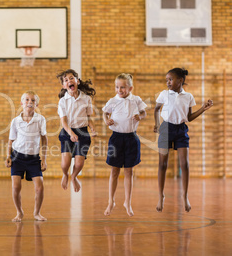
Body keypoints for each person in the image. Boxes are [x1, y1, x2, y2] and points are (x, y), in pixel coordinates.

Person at [154, 68, 213, 212]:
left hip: (181, 130)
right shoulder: (164, 94)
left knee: (184, 164)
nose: (168, 82)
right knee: (162, 164)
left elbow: (189, 118)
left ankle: (185, 196)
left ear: (180, 80)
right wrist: (157, 124)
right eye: (166, 79)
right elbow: (156, 109)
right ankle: (161, 195)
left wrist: (202, 109)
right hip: (166, 128)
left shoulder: (188, 97)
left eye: (170, 79)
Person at [102, 73, 147, 217]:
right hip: (116, 138)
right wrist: (106, 120)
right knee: (114, 171)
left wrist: (140, 116)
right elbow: (104, 113)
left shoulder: (136, 100)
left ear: (130, 88)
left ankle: (127, 202)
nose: (119, 90)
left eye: (122, 87)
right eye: (117, 87)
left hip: (131, 138)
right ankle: (111, 201)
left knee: (129, 171)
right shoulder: (113, 101)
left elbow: (144, 113)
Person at [5, 91, 48, 222]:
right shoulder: (16, 121)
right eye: (27, 100)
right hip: (17, 157)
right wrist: (8, 155)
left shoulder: (40, 119)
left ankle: (37, 213)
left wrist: (44, 159)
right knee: (16, 187)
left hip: (33, 158)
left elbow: (44, 139)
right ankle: (19, 212)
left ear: (37, 104)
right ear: (22, 102)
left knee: (40, 187)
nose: (30, 102)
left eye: (33, 100)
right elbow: (11, 140)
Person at [57, 69, 97, 192]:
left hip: (82, 132)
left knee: (79, 163)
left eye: (71, 78)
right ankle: (65, 174)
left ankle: (73, 177)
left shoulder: (86, 99)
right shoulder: (63, 101)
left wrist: (93, 128)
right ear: (64, 86)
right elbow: (63, 122)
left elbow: (89, 117)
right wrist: (71, 133)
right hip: (68, 131)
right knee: (65, 163)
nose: (69, 81)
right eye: (66, 80)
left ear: (77, 81)